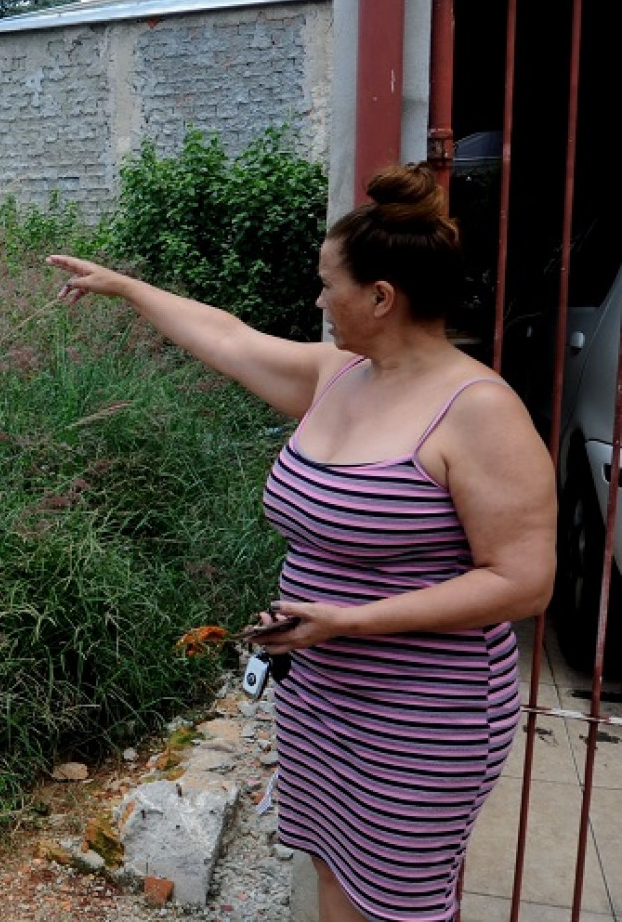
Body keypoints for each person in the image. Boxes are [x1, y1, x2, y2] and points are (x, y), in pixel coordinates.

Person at [48, 163, 554, 922]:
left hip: (420, 711)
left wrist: (347, 621)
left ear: (380, 297)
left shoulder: (477, 411)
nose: (318, 301)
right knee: (335, 876)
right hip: (320, 691)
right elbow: (225, 335)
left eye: (327, 285)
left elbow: (521, 582)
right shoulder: (338, 376)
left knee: (400, 903)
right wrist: (124, 286)